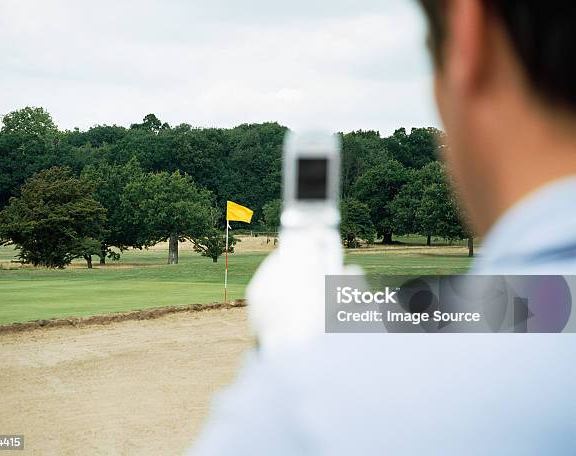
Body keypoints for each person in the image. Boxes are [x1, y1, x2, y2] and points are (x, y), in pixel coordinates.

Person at [189, 1, 576, 453]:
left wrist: (302, 354)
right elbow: (543, 303)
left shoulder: (307, 412)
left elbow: (531, 307)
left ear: (469, 31)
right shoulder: (540, 302)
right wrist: (351, 316)